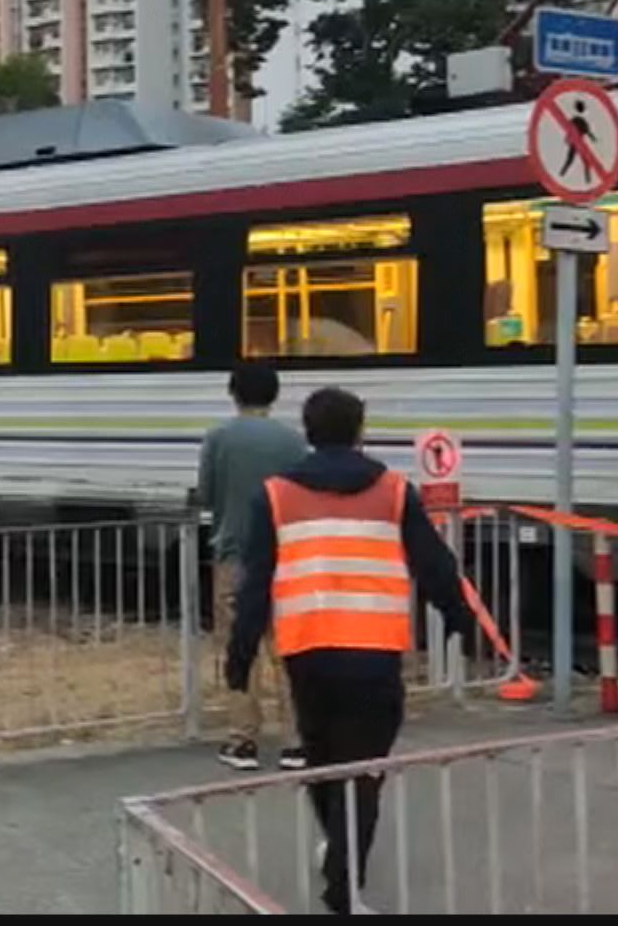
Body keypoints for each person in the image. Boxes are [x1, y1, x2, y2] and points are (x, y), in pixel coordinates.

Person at [226, 387, 475, 915]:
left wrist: (241, 650)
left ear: (308, 434)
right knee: (364, 770)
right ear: (361, 430)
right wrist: (458, 617)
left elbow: (255, 583)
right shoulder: (392, 491)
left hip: (307, 649)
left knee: (321, 761)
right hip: (374, 650)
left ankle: (338, 853)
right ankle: (344, 880)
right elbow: (433, 561)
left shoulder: (273, 496)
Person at [200, 363, 309, 771]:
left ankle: (242, 740)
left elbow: (208, 496)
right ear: (275, 394)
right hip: (286, 556)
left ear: (234, 392)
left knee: (238, 648)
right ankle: (296, 741)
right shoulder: (294, 442)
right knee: (287, 649)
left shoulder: (219, 438)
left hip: (235, 555)